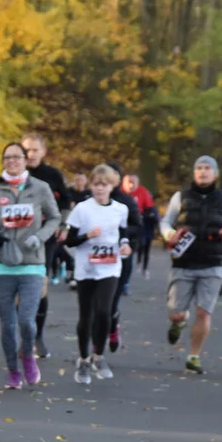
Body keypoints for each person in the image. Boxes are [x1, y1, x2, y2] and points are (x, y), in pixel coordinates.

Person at [0, 142, 61, 389]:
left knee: (26, 319)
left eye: (17, 157)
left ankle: (27, 356)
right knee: (8, 324)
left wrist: (41, 237)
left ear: (26, 160)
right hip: (3, 264)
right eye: (7, 157)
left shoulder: (40, 188)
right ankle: (13, 370)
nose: (12, 161)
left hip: (32, 265)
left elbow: (55, 217)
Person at [159, 155, 222, 374]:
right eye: (199, 168)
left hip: (213, 262)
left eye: (207, 168)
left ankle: (193, 356)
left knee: (204, 313)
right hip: (184, 262)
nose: (203, 172)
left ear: (215, 174)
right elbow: (166, 221)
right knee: (177, 313)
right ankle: (179, 322)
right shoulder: (181, 196)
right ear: (194, 173)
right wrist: (170, 234)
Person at [63, 164, 130, 384]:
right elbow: (69, 240)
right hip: (86, 268)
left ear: (112, 186)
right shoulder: (82, 209)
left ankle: (98, 356)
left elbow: (124, 233)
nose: (100, 189)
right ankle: (83, 359)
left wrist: (126, 245)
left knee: (104, 312)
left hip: (110, 267)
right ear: (91, 185)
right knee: (86, 316)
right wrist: (87, 236)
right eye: (96, 184)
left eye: (105, 185)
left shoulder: (120, 209)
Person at [21, 132, 70, 358]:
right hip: (17, 238)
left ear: (43, 152)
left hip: (44, 238)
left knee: (40, 285)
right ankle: (23, 336)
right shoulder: (14, 174)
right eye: (26, 150)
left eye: (34, 150)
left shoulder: (52, 175)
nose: (30, 154)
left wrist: (63, 224)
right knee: (18, 288)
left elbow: (65, 202)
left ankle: (38, 336)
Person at [105, 162, 143, 352]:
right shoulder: (92, 199)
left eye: (111, 176)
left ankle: (112, 329)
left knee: (111, 302)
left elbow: (138, 225)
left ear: (118, 179)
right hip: (95, 259)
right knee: (95, 304)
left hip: (120, 258)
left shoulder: (126, 201)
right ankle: (93, 347)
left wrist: (121, 233)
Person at [123, 172, 157, 278]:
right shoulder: (119, 193)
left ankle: (126, 281)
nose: (131, 186)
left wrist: (142, 217)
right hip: (121, 225)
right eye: (129, 182)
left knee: (132, 250)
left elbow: (149, 208)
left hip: (136, 225)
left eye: (133, 183)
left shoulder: (143, 192)